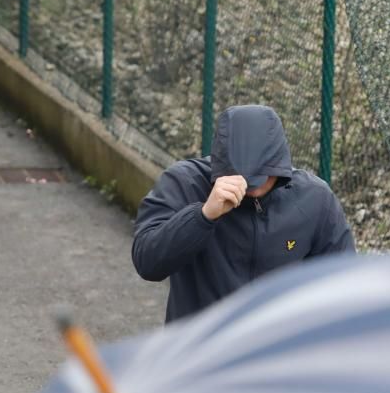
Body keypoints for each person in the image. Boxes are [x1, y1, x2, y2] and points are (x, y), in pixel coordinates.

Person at [132, 104, 355, 323]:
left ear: (279, 161)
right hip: (201, 347)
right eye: (244, 176)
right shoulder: (185, 183)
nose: (251, 186)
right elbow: (148, 262)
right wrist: (203, 215)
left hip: (277, 349)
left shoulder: (315, 198)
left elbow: (343, 281)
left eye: (264, 174)